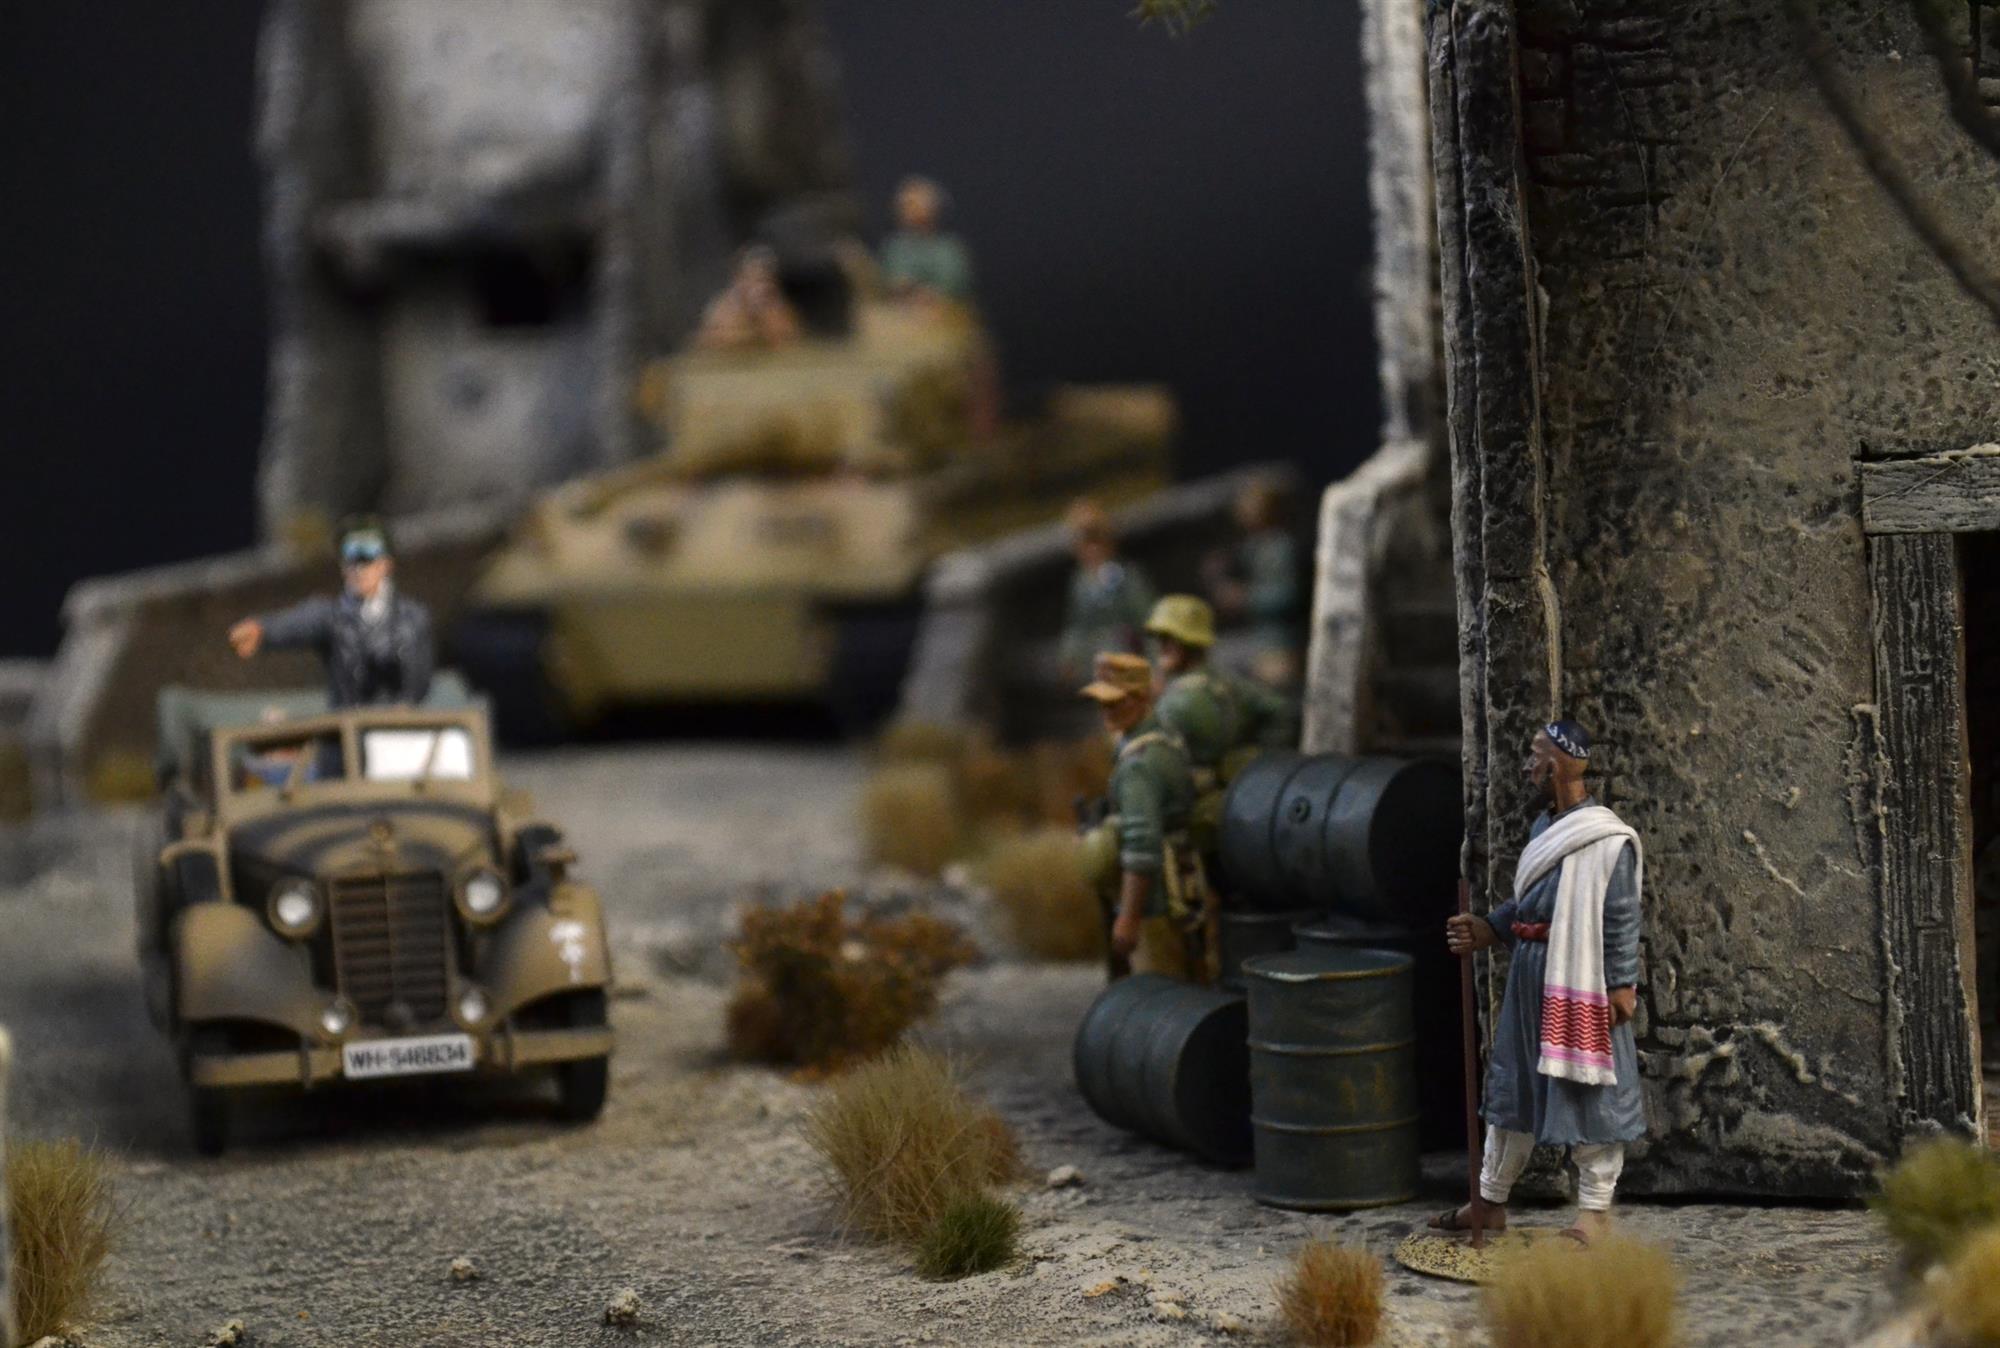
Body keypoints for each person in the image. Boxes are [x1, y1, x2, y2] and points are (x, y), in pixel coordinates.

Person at [1433, 720, 1645, 1246]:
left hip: (1581, 980)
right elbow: (1527, 905)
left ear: (1554, 766)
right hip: (1531, 978)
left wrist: (1621, 984)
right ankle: (1490, 1200)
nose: (1527, 766)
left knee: (1589, 1091)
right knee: (1513, 1087)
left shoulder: (1607, 840)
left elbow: (1620, 917)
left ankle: (1594, 1214)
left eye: (1533, 756)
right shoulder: (1544, 830)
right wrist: (1488, 928)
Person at [1078, 652, 1204, 983]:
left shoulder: (1139, 765)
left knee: (1157, 987)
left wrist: (1128, 918)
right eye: (1102, 702)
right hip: (1183, 880)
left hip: (1156, 899)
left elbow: (1142, 849)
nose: (1106, 710)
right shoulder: (1163, 735)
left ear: (1141, 698)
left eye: (1116, 702)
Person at [228, 520, 435, 709]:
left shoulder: (412, 617)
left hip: (400, 727)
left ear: (385, 564)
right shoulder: (333, 617)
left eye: (367, 559)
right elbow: (302, 622)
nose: (359, 569)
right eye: (351, 560)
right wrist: (263, 630)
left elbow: (419, 683)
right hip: (351, 726)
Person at [1144, 593, 1296, 785]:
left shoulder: (1179, 701)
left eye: (1168, 639)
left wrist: (1259, 759)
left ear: (1190, 643)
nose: (1161, 647)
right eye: (1159, 639)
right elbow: (1279, 709)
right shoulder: (1221, 681)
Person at [1206, 477, 1302, 686]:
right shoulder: (1253, 546)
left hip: (1276, 641)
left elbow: (1287, 595)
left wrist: (1245, 597)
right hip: (1255, 636)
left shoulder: (1278, 547)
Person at [1060, 500, 1155, 682]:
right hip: (1099, 662)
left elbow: (1147, 618)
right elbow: (1078, 626)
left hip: (1128, 655)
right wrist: (1070, 655)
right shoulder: (1081, 583)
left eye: (1095, 540)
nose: (1091, 549)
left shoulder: (1124, 576)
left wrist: (1155, 662)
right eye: (1084, 542)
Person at [879, 176, 975, 309]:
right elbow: (888, 279)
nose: (908, 210)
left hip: (944, 311)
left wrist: (930, 295)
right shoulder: (894, 247)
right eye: (904, 205)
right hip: (901, 310)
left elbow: (955, 283)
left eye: (914, 204)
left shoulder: (949, 248)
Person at [694, 245, 803, 351]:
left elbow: (791, 340)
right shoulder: (723, 308)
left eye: (766, 280)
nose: (762, 287)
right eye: (755, 279)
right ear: (739, 279)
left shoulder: (777, 307)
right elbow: (708, 343)